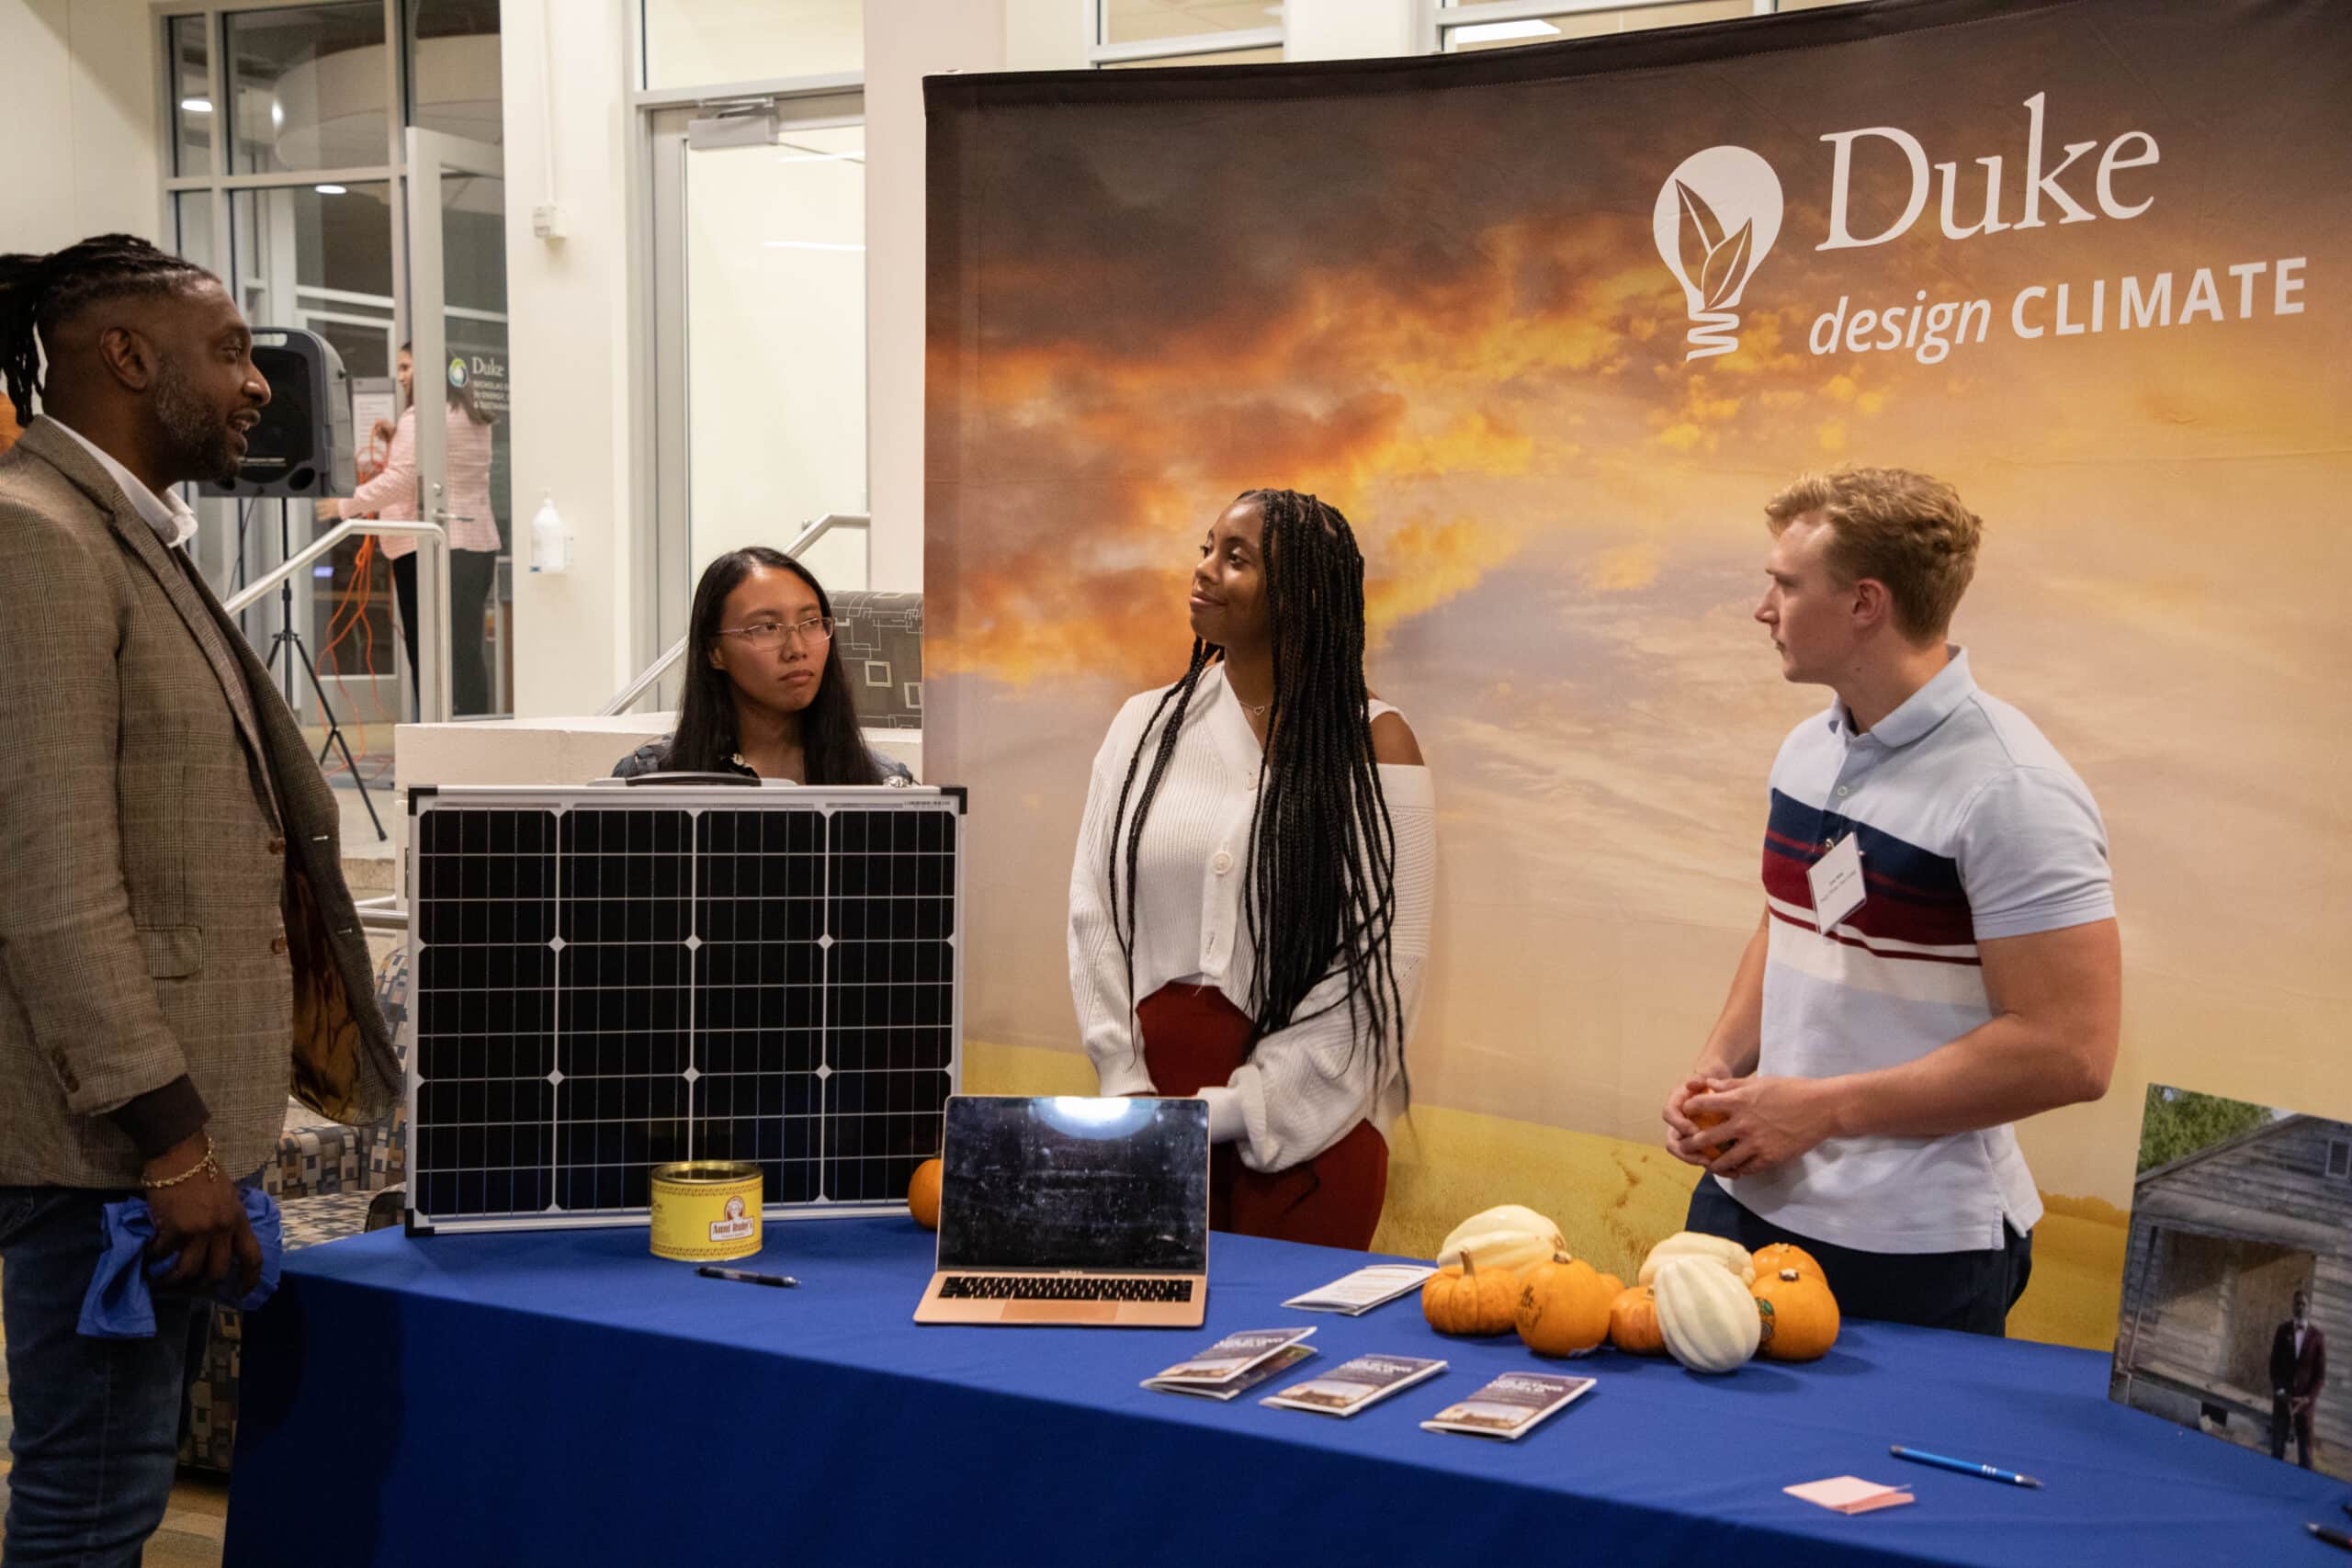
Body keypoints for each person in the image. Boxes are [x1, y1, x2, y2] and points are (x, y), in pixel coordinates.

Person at [0, 234, 399, 1564]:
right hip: (100, 1148)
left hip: (153, 1134)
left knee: (110, 1474)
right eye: (227, 351)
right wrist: (169, 1143)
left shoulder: (128, 533)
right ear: (125, 356)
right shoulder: (37, 535)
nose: (255, 386)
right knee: (95, 1490)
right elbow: (49, 881)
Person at [1661, 466, 2120, 1336]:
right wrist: (1721, 1065)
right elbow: (1789, 919)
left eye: (1786, 585)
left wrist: (1822, 1107)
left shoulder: (2012, 789)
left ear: (1866, 603)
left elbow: (2072, 1051)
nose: (1764, 608)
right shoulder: (1807, 747)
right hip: (1743, 1204)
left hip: (1914, 1248)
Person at [1067, 488, 1433, 1251]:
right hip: (1152, 1115)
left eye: (1236, 558)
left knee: (1288, 1355)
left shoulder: (1377, 745)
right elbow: (1093, 911)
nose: (1203, 570)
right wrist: (1125, 1081)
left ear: (1301, 593)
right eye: (1207, 547)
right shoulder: (1145, 726)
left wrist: (1238, 1109)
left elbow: (1385, 965)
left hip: (1313, 1129)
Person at [612, 546, 910, 784]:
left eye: (811, 622)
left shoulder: (883, 782)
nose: (796, 649)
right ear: (715, 652)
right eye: (766, 628)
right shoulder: (651, 779)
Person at [316, 341, 501, 716]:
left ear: (429, 370)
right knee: (465, 651)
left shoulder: (422, 418)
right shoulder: (473, 414)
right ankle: (475, 733)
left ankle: (436, 745)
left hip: (426, 549)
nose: (400, 377)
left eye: (406, 368)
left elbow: (400, 481)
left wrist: (345, 505)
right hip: (477, 543)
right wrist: (395, 438)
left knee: (427, 654)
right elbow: (443, 464)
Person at [2271, 1289, 2325, 1468]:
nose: (2300, 1307)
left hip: (2305, 1407)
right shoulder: (2282, 1331)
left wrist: (2308, 1399)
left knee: (2306, 1457)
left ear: (2309, 1308)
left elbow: (2320, 1375)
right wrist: (2281, 1393)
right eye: (2297, 1303)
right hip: (2283, 1402)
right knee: (2277, 1450)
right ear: (2292, 1306)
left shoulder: (2317, 1337)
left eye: (2304, 1304)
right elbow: (2274, 1366)